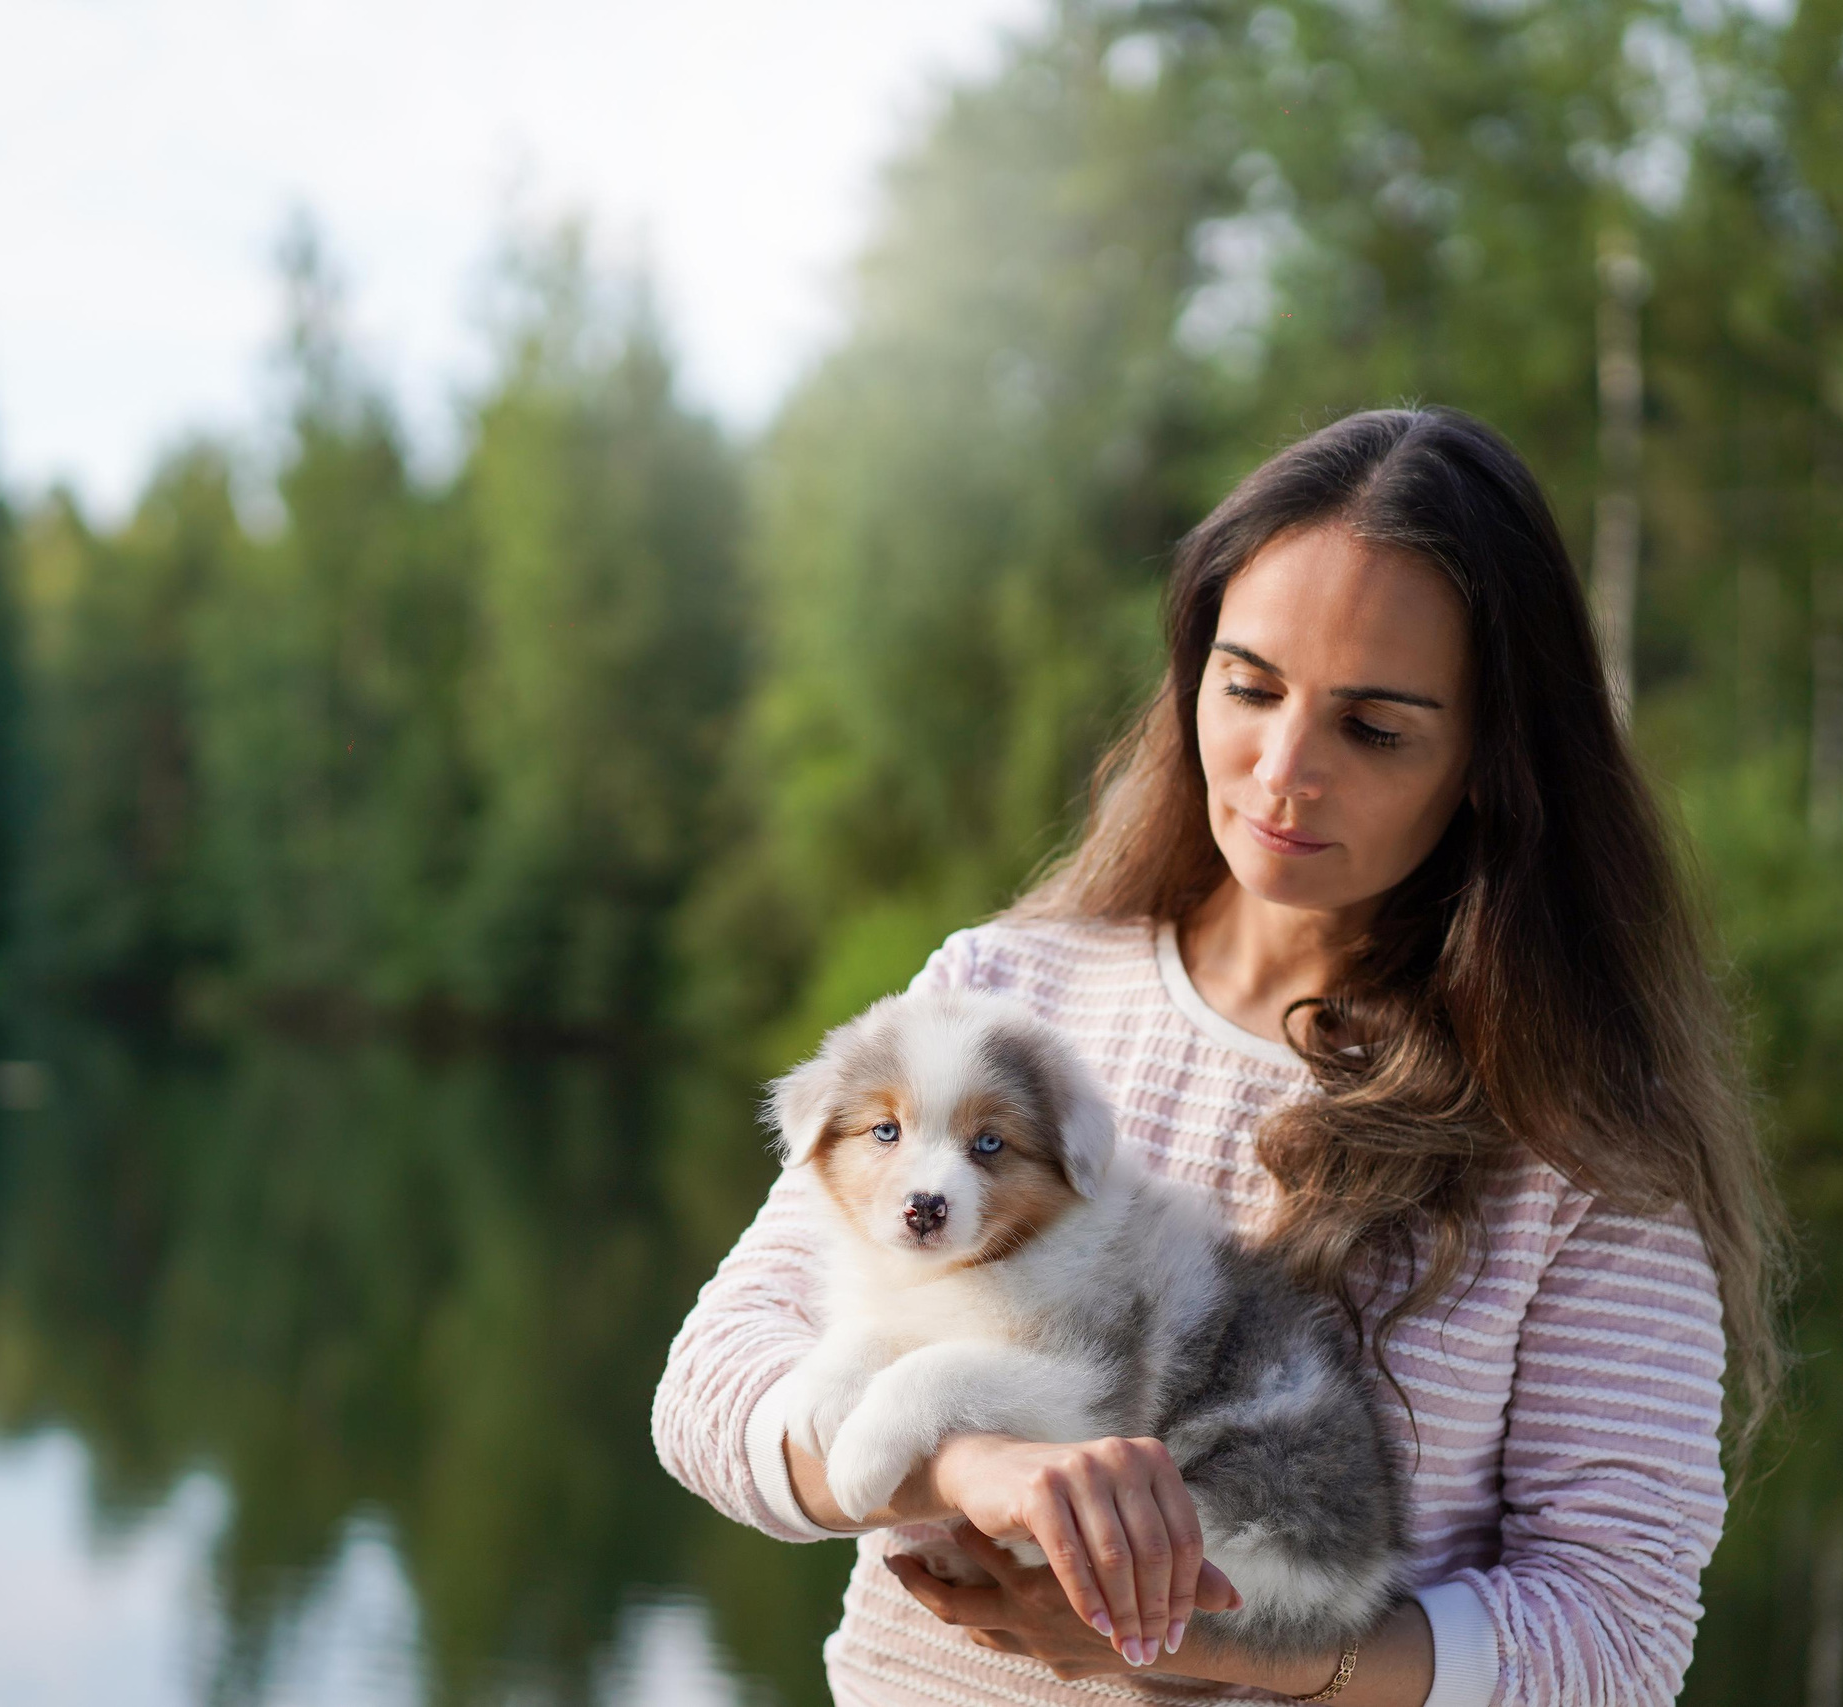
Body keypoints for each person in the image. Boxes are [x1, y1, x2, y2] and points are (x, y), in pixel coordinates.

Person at [652, 407, 1785, 1706]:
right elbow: (712, 1393)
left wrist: (1212, 1640)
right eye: (1249, 687)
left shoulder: (1580, 1145)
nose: (1283, 769)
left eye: (1374, 729)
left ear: (1490, 760)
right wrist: (967, 1458)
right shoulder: (1001, 998)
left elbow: (1620, 1642)